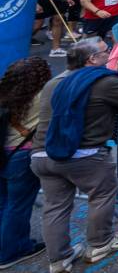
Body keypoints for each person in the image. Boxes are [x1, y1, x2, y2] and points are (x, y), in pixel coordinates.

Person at [31, 37, 118, 273]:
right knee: (102, 195)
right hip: (83, 153)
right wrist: (117, 75)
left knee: (55, 206)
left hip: (42, 153)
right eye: (105, 51)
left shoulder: (54, 82)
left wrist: (113, 73)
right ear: (92, 59)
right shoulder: (102, 82)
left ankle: (58, 259)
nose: (110, 54)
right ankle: (101, 244)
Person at [0, 57, 51, 269]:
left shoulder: (5, 94)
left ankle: (6, 246)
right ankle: (13, 250)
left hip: (4, 151)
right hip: (22, 154)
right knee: (18, 206)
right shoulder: (43, 95)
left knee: (4, 203)